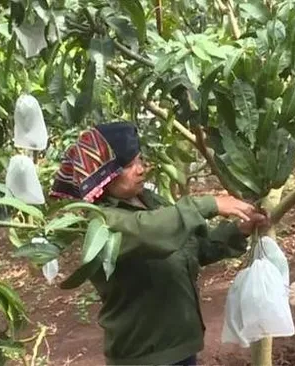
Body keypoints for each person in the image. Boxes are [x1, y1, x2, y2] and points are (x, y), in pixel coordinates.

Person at [50, 121, 269, 366]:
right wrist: (208, 204)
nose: (141, 169)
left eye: (140, 160)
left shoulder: (150, 201)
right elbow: (149, 231)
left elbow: (193, 246)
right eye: (129, 165)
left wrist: (238, 231)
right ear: (104, 175)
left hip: (179, 345)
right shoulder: (102, 223)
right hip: (145, 355)